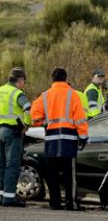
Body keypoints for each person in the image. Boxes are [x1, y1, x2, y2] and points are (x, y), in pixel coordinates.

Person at [30, 68, 88, 211]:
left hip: (51, 140)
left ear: (52, 79)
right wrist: (83, 136)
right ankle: (71, 203)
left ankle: (55, 202)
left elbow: (34, 115)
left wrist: (43, 122)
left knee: (52, 172)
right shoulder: (73, 95)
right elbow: (80, 119)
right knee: (69, 174)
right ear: (65, 78)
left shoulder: (45, 96)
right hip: (68, 139)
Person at [0, 68, 31, 207]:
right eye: (24, 81)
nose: (24, 84)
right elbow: (28, 107)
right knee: (12, 165)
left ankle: (1, 195)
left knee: (0, 165)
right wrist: (26, 124)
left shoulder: (1, 90)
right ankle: (9, 198)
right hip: (12, 132)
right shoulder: (17, 93)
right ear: (19, 80)